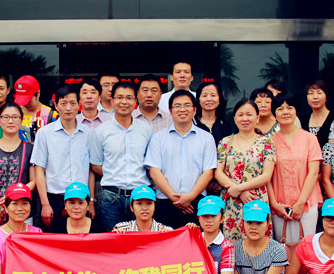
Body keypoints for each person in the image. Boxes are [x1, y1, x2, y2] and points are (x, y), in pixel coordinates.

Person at [145, 90, 216, 229]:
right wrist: (175, 199)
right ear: (170, 111)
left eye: (187, 105)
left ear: (194, 110)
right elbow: (154, 172)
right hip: (165, 203)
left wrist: (190, 197)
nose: (182, 109)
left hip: (196, 203)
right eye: (177, 106)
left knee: (194, 241)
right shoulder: (158, 138)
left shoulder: (206, 138)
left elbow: (208, 172)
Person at [90, 81, 153, 231]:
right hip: (111, 196)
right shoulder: (101, 131)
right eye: (119, 97)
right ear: (112, 101)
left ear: (135, 101)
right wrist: (114, 172)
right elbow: (95, 164)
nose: (124, 102)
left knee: (140, 240)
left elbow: (151, 163)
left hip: (141, 196)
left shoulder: (146, 130)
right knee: (113, 240)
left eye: (129, 98)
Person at [31, 84, 93, 232]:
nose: (68, 108)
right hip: (54, 199)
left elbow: (91, 169)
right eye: (63, 103)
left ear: (79, 105)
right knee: (53, 241)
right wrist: (45, 204)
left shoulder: (89, 133)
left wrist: (91, 202)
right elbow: (39, 170)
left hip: (81, 199)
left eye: (72, 103)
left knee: (80, 241)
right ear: (56, 106)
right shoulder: (44, 133)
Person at [215, 99, 276, 242]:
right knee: (232, 244)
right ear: (234, 118)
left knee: (258, 243)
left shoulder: (267, 142)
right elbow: (218, 172)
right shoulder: (225, 142)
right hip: (232, 201)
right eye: (240, 115)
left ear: (257, 118)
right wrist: (239, 191)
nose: (245, 119)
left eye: (249, 114)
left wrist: (239, 188)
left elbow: (267, 175)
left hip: (256, 199)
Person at [267, 94, 323, 244]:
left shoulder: (310, 139)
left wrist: (301, 202)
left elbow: (313, 173)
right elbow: (267, 177)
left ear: (296, 111)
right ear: (274, 113)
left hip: (307, 202)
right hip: (280, 205)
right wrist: (274, 204)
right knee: (282, 246)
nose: (285, 112)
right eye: (280, 109)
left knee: (307, 245)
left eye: (290, 108)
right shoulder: (269, 142)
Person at [0, 103, 36, 234]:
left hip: (21, 210)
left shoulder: (29, 148)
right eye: (5, 117)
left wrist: (13, 195)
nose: (10, 121)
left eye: (15, 117)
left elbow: (34, 180)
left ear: (21, 120)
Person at [14, 75, 57, 142]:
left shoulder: (51, 115)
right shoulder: (13, 113)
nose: (24, 104)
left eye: (28, 100)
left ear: (38, 94)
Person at [194, 81, 232, 145]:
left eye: (213, 95)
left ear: (219, 100)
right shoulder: (192, 124)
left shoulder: (225, 125)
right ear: (198, 100)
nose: (209, 99)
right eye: (204, 95)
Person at [300, 80, 334, 148]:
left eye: (319, 93)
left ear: (326, 96)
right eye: (311, 93)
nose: (315, 97)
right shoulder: (303, 121)